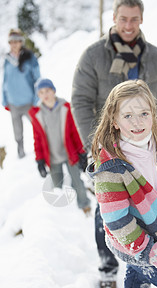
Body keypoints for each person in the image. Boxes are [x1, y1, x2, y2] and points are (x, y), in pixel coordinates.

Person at [71, 0, 157, 288]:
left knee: (144, 210)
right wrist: (97, 146)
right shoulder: (93, 56)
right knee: (109, 212)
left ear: (142, 19)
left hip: (146, 147)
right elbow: (80, 101)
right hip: (109, 148)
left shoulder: (156, 57)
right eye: (123, 19)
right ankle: (108, 268)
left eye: (135, 19)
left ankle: (139, 270)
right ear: (114, 18)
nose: (129, 26)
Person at [88, 79, 157, 288]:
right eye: (128, 115)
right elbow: (118, 222)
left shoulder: (156, 141)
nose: (137, 122)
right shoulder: (110, 167)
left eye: (144, 113)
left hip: (155, 234)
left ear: (153, 113)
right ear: (115, 121)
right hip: (135, 242)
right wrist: (152, 252)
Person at [29, 78, 91, 215]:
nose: (45, 94)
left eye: (47, 90)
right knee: (57, 186)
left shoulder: (65, 108)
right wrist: (39, 160)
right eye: (41, 92)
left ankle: (85, 206)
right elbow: (37, 139)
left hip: (70, 154)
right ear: (38, 95)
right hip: (52, 156)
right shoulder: (37, 114)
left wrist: (82, 152)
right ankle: (63, 213)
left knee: (77, 183)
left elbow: (75, 131)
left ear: (53, 91)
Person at [2, 28, 40, 158]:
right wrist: (4, 99)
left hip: (29, 101)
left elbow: (37, 79)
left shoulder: (29, 57)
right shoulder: (7, 59)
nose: (14, 44)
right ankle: (21, 151)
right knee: (17, 131)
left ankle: (41, 149)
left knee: (38, 127)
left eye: (17, 41)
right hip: (13, 103)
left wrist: (36, 98)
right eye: (11, 42)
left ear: (21, 42)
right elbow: (5, 80)